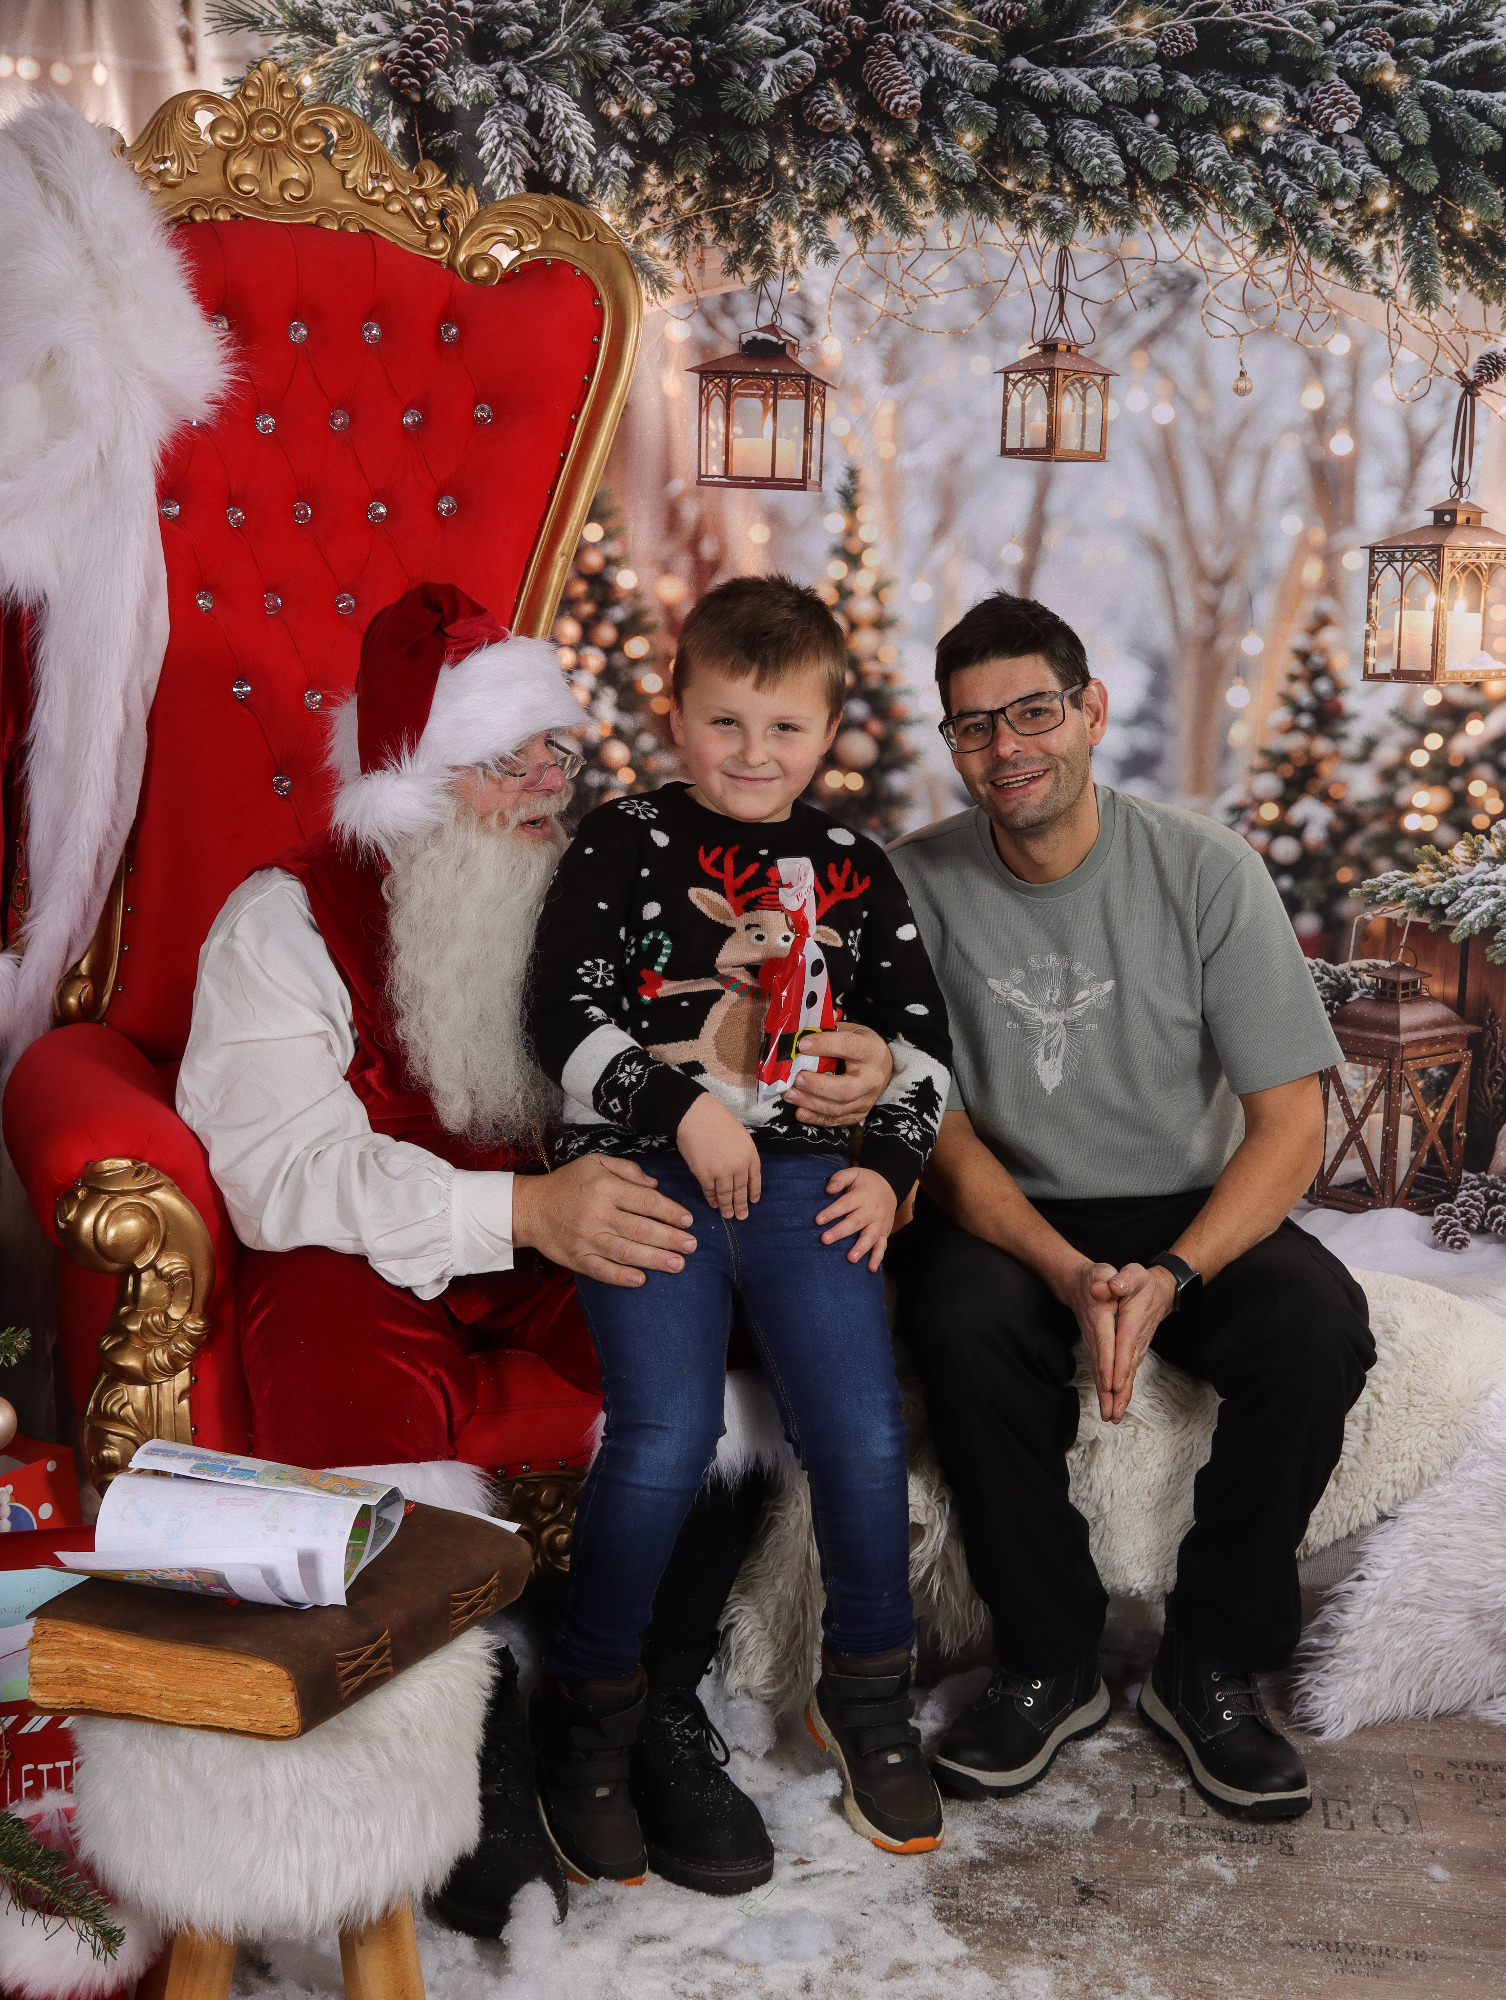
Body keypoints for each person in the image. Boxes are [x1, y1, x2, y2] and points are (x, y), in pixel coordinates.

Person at [175, 581, 899, 1927]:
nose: (544, 787)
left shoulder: (601, 882)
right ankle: (456, 1729)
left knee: (734, 1320)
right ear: (409, 776)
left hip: (561, 1218)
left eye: (553, 754)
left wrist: (840, 1066)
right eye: (501, 763)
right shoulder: (281, 921)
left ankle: (641, 1692)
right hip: (368, 1249)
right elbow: (279, 1176)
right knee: (333, 1352)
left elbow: (715, 1048)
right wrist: (518, 1212)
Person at [887, 590, 1374, 1822]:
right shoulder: (912, 883)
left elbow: (1290, 1127)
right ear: (952, 743)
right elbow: (937, 1127)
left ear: (1091, 710)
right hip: (1007, 1207)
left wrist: (1175, 1273)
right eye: (973, 724)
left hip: (1189, 1201)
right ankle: (1048, 1660)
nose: (1007, 746)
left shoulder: (1207, 871)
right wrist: (1061, 1267)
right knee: (956, 1321)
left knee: (1316, 1326)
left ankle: (1209, 1663)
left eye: (1033, 711)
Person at [525, 574, 955, 1885]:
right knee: (667, 1433)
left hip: (807, 1177)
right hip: (642, 1171)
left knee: (860, 1428)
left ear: (827, 733)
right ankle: (589, 1712)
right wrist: (681, 1109)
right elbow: (561, 1015)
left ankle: (867, 1688)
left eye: (784, 729)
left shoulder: (855, 868)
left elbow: (921, 1047)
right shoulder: (622, 841)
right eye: (725, 722)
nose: (753, 754)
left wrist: (889, 1162)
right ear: (676, 715)